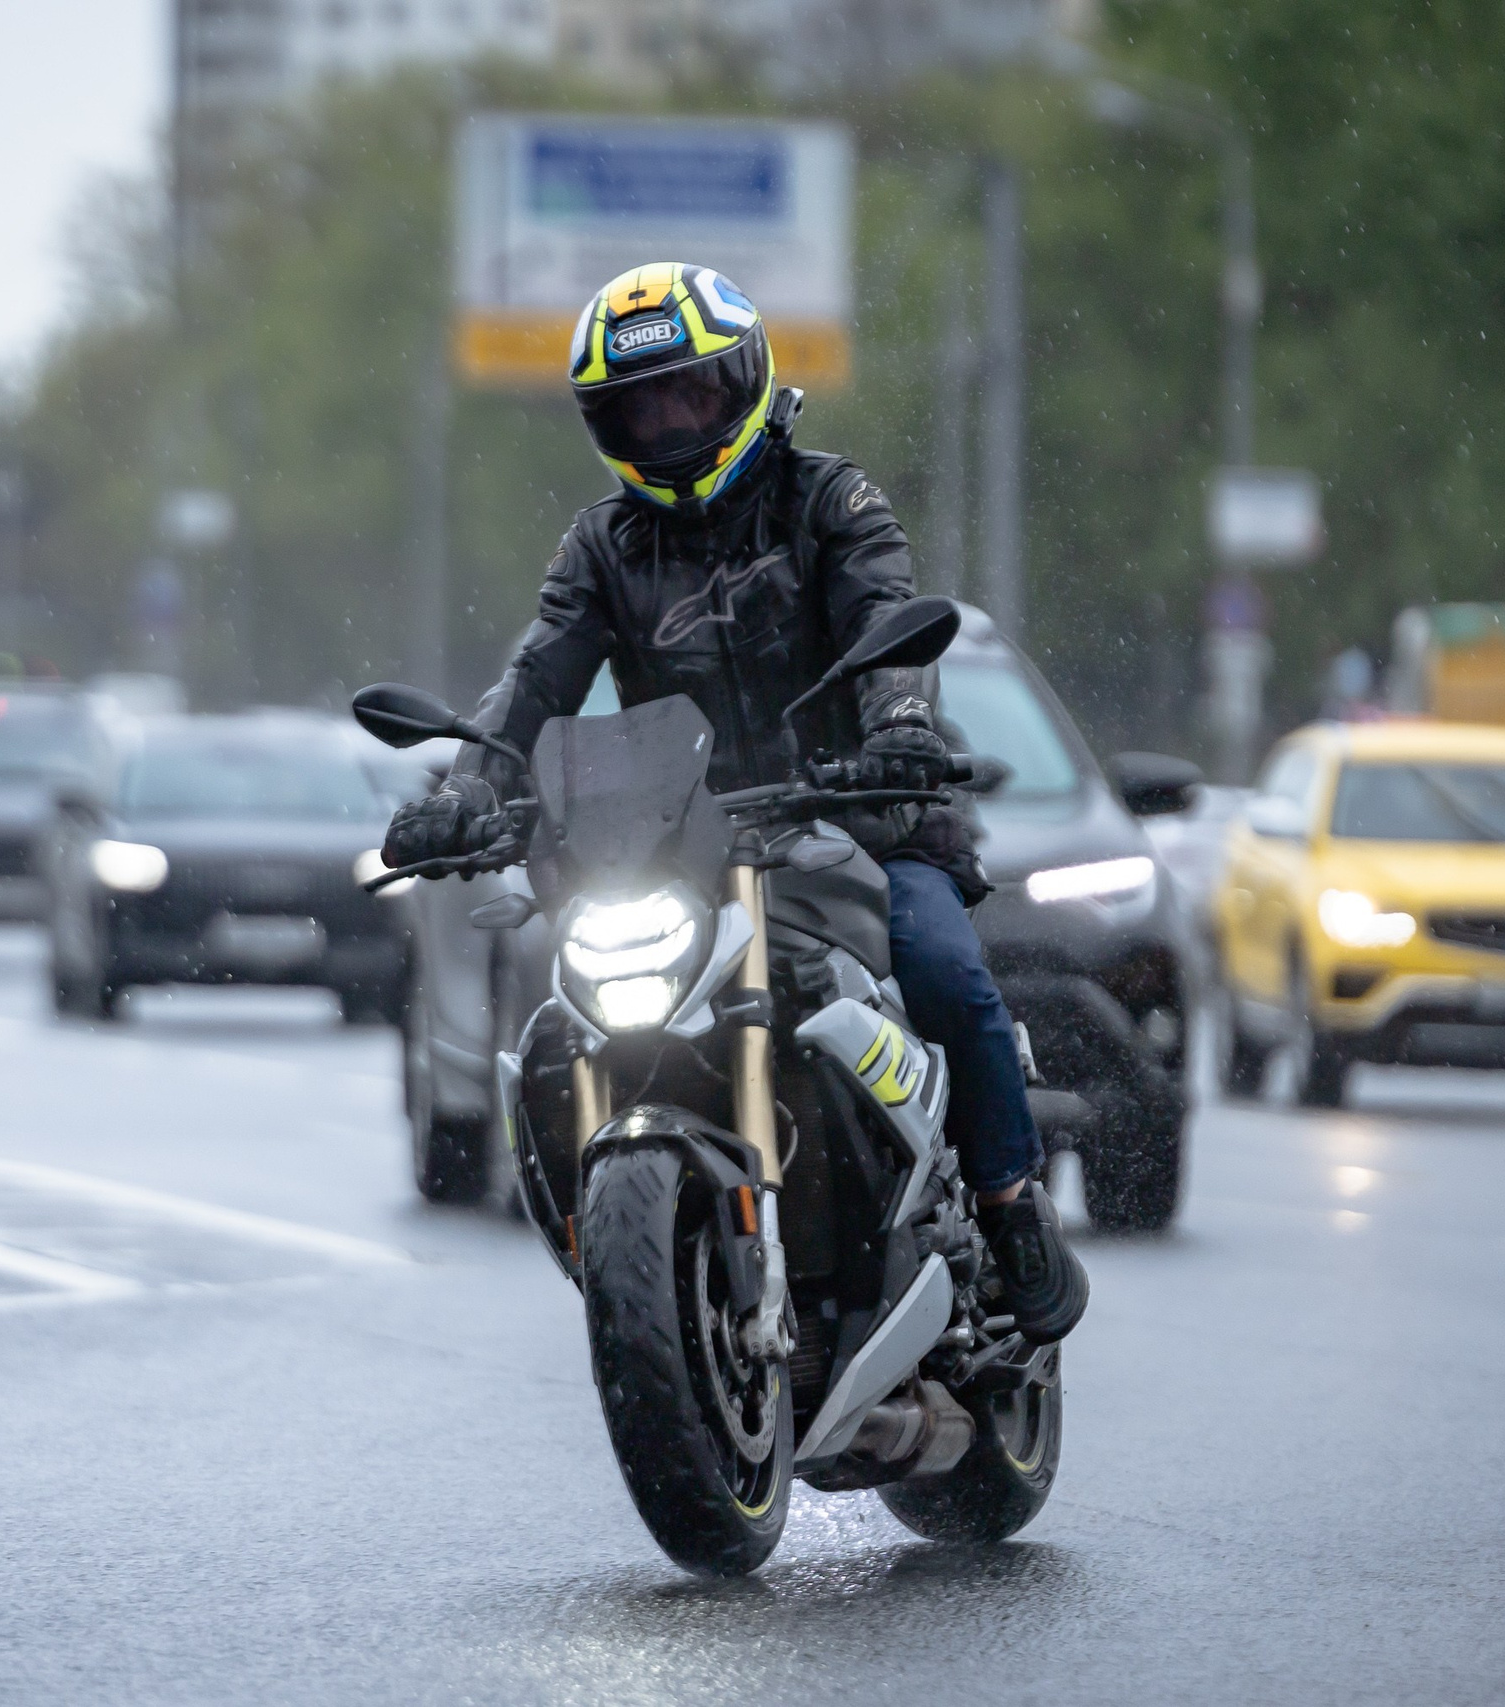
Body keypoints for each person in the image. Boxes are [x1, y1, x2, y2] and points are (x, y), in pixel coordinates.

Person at [383, 262, 1085, 1343]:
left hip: (861, 814)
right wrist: (469, 785)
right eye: (638, 406)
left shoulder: (831, 499)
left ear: (745, 381)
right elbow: (535, 680)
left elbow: (881, 622)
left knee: (942, 964)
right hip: (686, 839)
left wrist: (897, 724)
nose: (667, 422)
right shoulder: (602, 547)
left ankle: (1006, 1200)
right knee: (566, 1015)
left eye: (689, 395)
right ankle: (633, 1253)